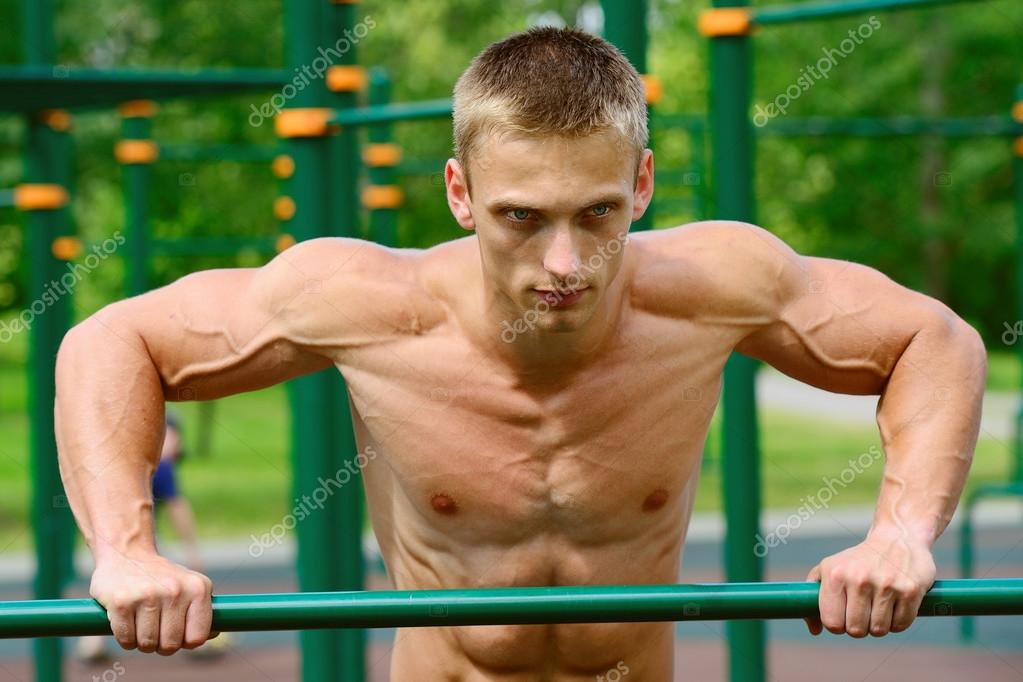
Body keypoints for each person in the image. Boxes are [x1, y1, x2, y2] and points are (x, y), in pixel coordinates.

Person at [53, 27, 986, 680]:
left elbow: (932, 339)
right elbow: (110, 339)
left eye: (599, 214)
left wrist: (898, 536)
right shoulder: (363, 300)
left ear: (643, 182)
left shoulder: (719, 283)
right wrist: (128, 552)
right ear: (460, 193)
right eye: (520, 218)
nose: (564, 262)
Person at [75, 413, 204, 662]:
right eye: (170, 438)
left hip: (110, 540)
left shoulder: (119, 463)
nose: (174, 446)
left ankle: (91, 643)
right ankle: (196, 637)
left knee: (107, 590)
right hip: (141, 542)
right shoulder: (162, 468)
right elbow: (179, 511)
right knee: (184, 579)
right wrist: (192, 550)